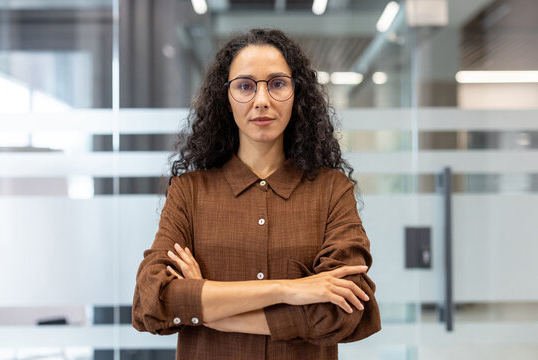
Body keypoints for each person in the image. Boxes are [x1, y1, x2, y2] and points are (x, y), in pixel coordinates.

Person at [132, 28, 381, 360]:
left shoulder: (331, 189)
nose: (261, 100)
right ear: (227, 97)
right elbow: (152, 299)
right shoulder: (190, 192)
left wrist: (210, 308)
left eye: (277, 83)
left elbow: (345, 310)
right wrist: (290, 289)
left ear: (297, 93)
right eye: (245, 86)